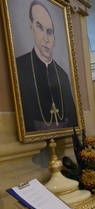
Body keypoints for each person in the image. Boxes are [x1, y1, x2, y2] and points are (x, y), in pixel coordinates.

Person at [16, 0, 77, 132]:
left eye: (49, 32)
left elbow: (72, 120)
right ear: (30, 26)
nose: (46, 39)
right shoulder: (19, 68)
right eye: (40, 27)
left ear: (54, 38)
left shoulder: (62, 75)